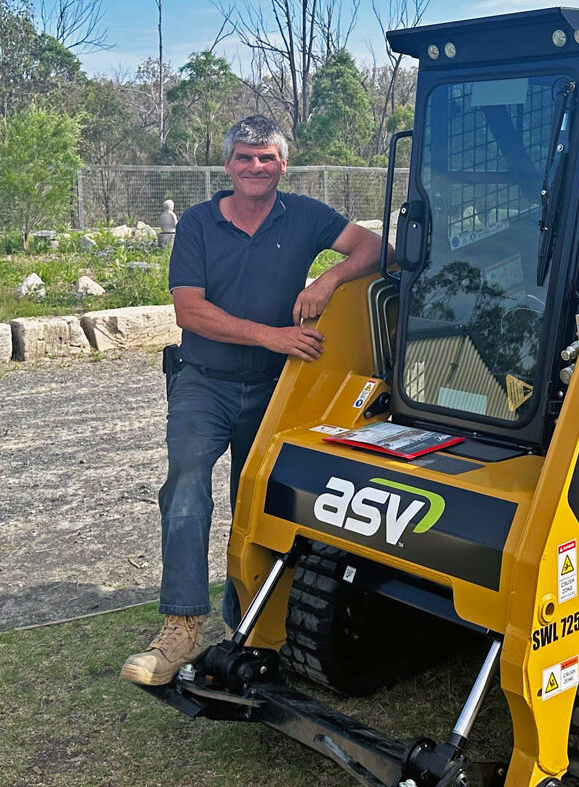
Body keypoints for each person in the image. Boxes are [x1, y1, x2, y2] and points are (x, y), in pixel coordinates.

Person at [122, 115, 384, 685]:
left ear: (282, 165)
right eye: (245, 157)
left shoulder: (305, 215)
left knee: (260, 502)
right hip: (203, 383)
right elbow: (189, 312)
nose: (256, 167)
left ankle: (248, 624)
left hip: (275, 390)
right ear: (228, 165)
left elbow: (373, 247)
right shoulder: (197, 224)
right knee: (186, 492)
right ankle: (181, 627)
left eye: (267, 158)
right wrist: (273, 335)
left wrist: (327, 281)